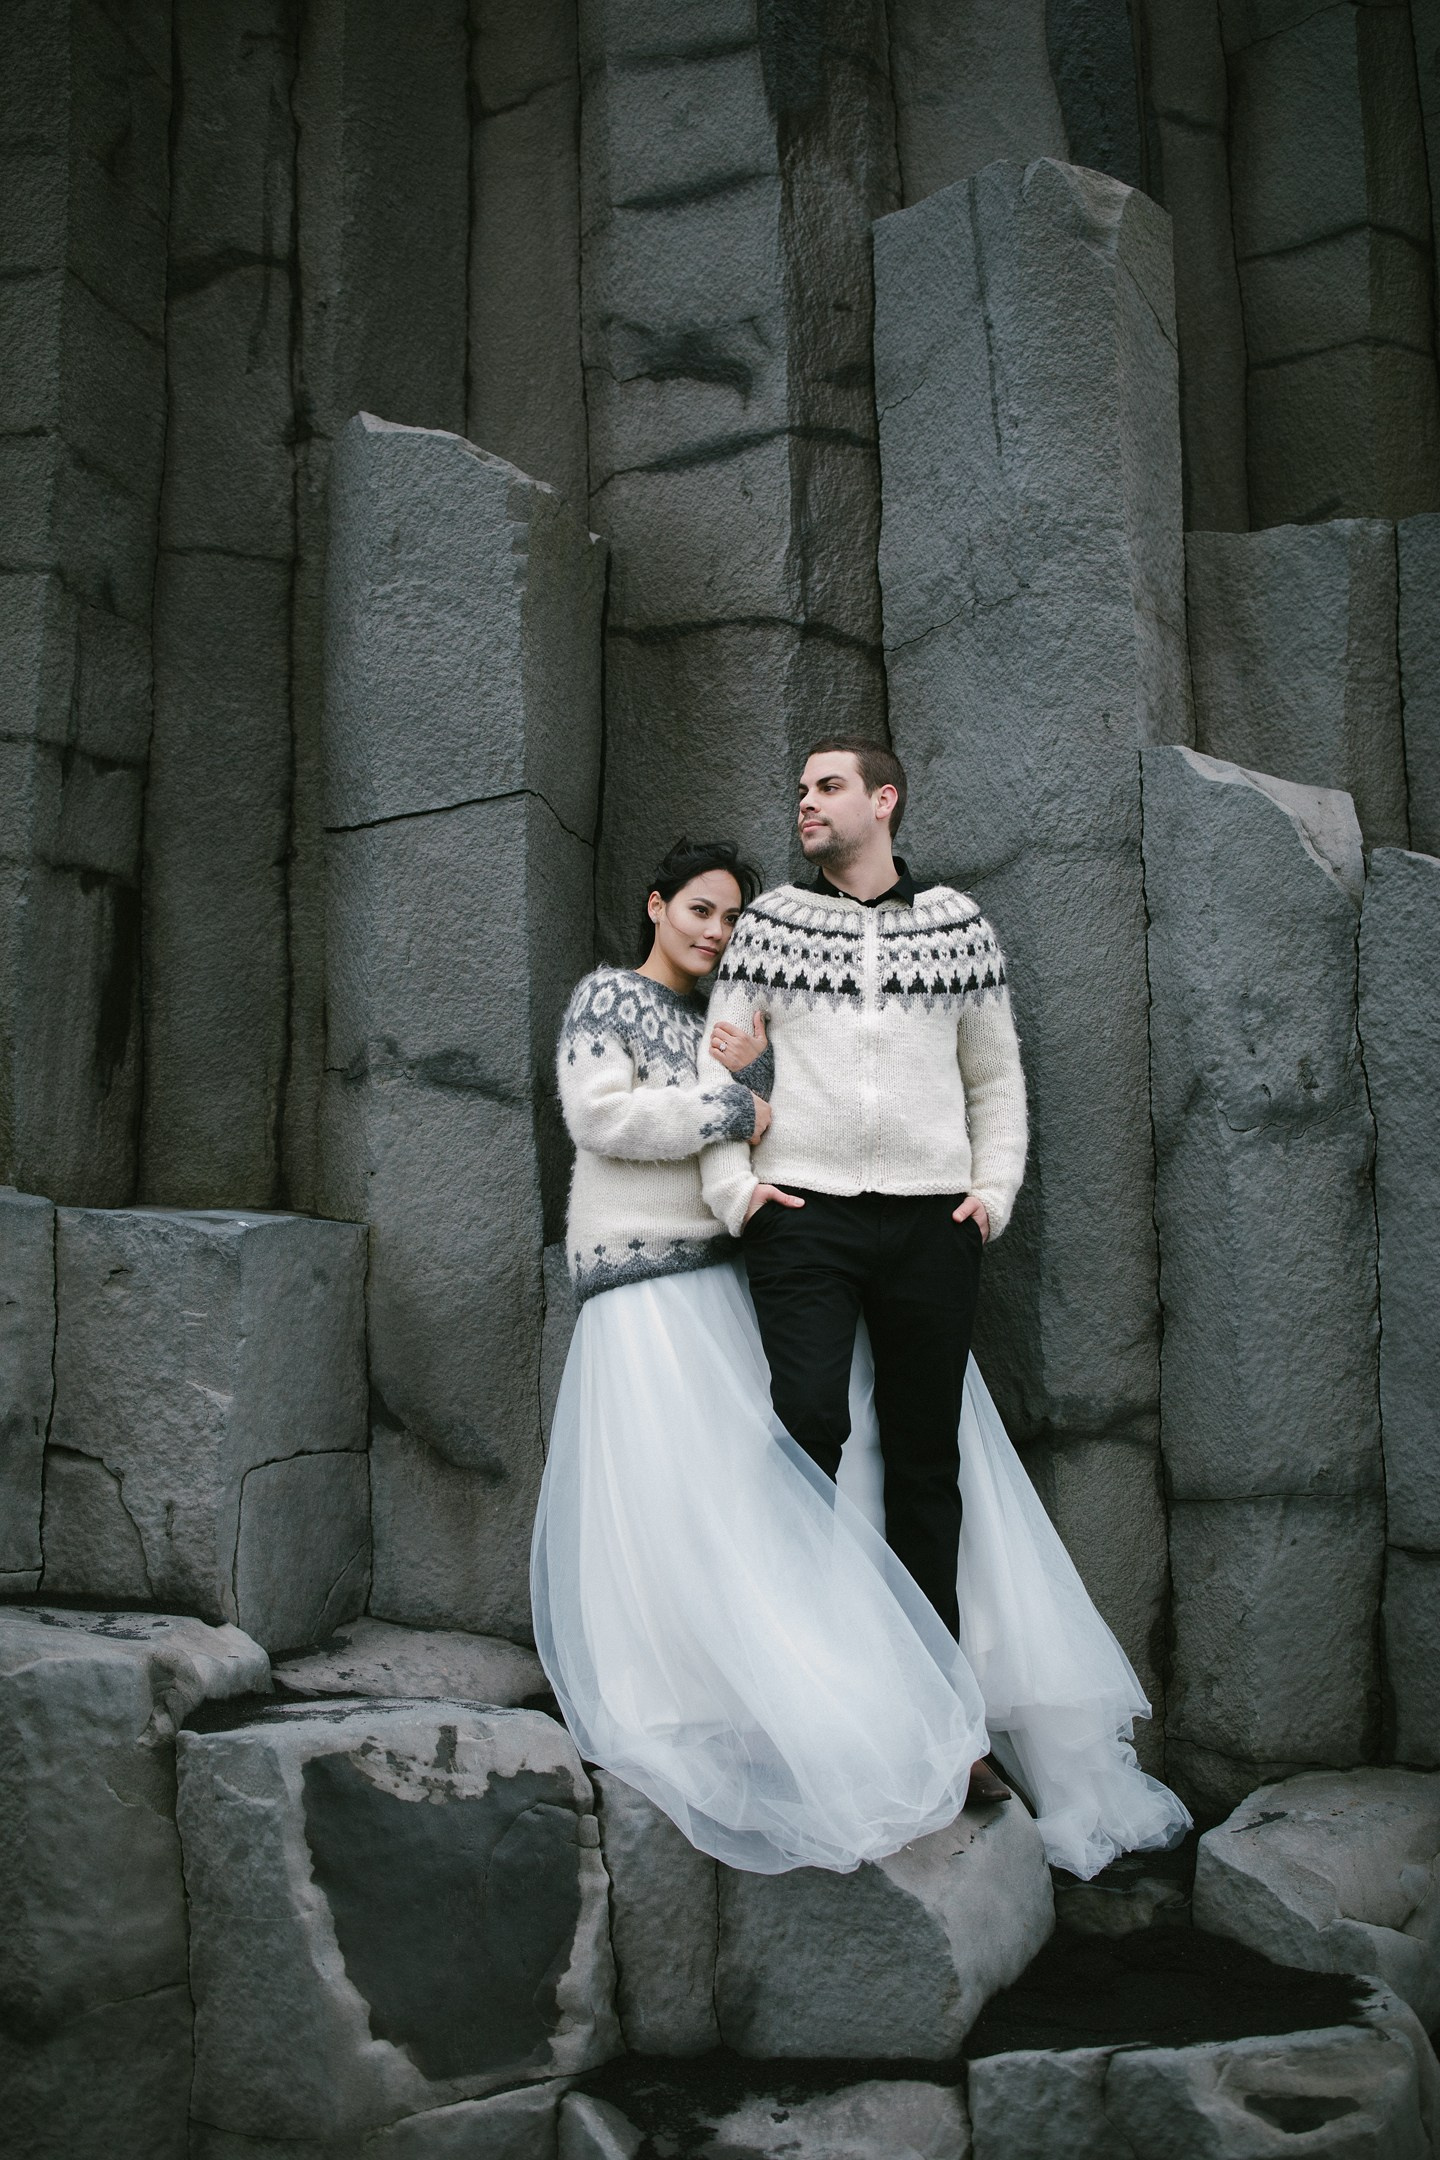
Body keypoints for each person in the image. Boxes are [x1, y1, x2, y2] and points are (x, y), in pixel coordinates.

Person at [701, 739, 1189, 1873]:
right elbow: (725, 1067)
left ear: (885, 798)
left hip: (932, 1224)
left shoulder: (959, 926)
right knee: (808, 1428)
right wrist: (736, 1193)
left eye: (826, 788)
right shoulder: (773, 921)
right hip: (806, 1217)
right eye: (801, 791)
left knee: (926, 1466)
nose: (805, 805)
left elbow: (996, 1079)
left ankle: (943, 1726)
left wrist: (992, 1194)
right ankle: (801, 1694)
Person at [531, 837, 990, 1874]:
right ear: (655, 905)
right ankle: (673, 1695)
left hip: (716, 1272)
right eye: (699, 908)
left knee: (738, 1490)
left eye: (731, 917)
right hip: (637, 1285)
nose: (714, 930)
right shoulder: (608, 1000)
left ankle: (767, 1681)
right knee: (658, 1495)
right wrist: (738, 1105)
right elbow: (598, 1116)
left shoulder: (717, 1021)